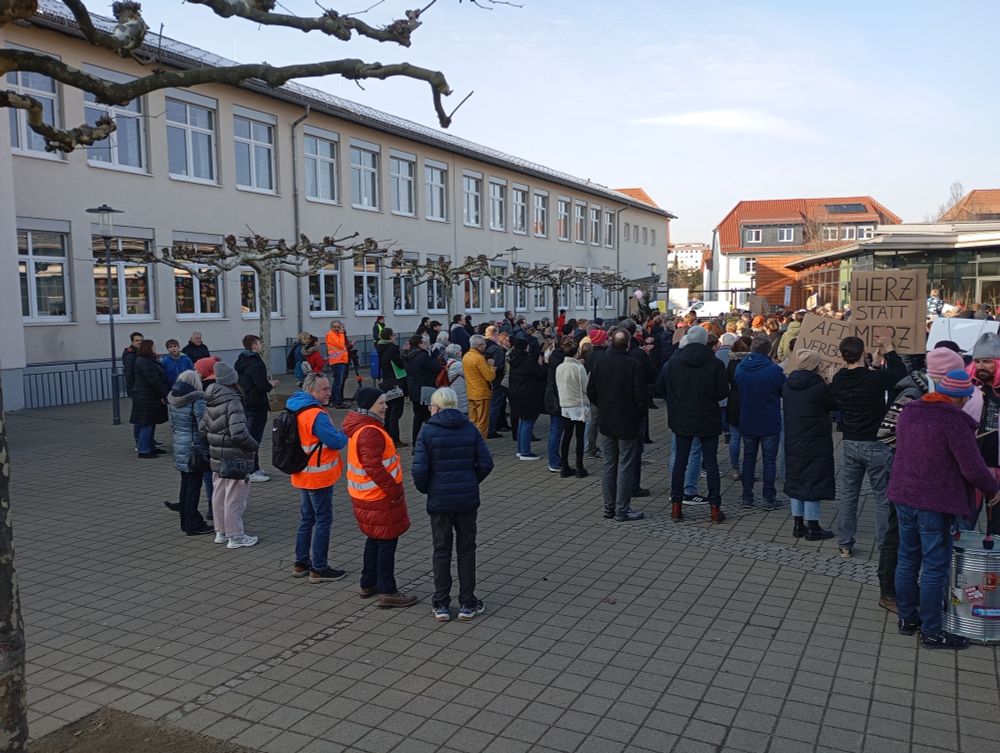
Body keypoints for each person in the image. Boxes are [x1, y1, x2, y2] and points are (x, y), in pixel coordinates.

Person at [890, 369, 1000, 649]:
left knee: (907, 559)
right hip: (934, 501)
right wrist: (992, 487)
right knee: (935, 567)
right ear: (960, 397)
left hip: (904, 495)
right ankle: (931, 631)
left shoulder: (911, 411)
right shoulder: (954, 422)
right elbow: (973, 468)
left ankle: (906, 619)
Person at [412, 387, 494, 622]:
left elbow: (419, 470)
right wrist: (471, 480)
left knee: (441, 549)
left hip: (439, 500)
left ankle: (441, 603)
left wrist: (428, 488)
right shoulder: (470, 428)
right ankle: (468, 602)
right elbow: (486, 463)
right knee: (467, 549)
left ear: (435, 406)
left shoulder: (427, 431)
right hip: (467, 499)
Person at [831, 334, 906, 558]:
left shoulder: (838, 379)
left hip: (850, 442)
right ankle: (884, 546)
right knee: (882, 497)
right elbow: (900, 376)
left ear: (842, 355)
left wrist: (872, 363)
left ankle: (845, 543)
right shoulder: (873, 379)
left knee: (848, 494)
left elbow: (862, 377)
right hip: (875, 443)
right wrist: (890, 350)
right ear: (862, 353)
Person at [343, 388, 416, 608]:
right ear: (368, 406)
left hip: (367, 494)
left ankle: (369, 583)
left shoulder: (363, 427)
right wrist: (393, 491)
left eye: (385, 402)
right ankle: (388, 590)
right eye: (380, 404)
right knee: (386, 542)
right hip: (378, 496)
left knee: (374, 539)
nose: (385, 407)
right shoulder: (370, 431)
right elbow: (373, 465)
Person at [285, 372, 349, 582]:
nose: (329, 393)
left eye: (329, 388)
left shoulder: (295, 407)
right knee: (323, 520)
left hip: (303, 472)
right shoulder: (315, 414)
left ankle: (300, 563)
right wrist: (345, 431)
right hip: (318, 475)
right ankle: (319, 568)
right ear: (311, 390)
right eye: (324, 389)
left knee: (307, 519)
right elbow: (336, 442)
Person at [662, 325, 728, 523]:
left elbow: (664, 388)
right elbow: (722, 393)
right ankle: (715, 508)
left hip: (682, 417)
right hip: (708, 418)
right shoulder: (715, 364)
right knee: (710, 463)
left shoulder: (674, 363)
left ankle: (676, 505)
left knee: (680, 461)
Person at [587, 330, 646, 521]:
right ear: (628, 345)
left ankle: (609, 507)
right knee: (625, 466)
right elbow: (641, 397)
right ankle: (621, 509)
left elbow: (591, 391)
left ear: (611, 343)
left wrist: (603, 406)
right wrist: (637, 415)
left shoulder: (600, 363)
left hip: (607, 420)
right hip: (627, 421)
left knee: (609, 464)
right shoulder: (633, 365)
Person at [200, 362, 259, 548]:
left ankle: (221, 532)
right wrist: (254, 445)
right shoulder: (233, 402)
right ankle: (236, 536)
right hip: (234, 457)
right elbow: (239, 434)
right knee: (235, 497)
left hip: (217, 455)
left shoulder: (210, 399)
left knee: (219, 493)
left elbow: (202, 428)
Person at [782, 350, 836, 540]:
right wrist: (829, 383)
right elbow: (833, 404)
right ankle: (813, 526)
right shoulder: (818, 386)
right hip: (815, 441)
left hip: (793, 440)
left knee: (796, 480)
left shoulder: (788, 384)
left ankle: (798, 524)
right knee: (813, 481)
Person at [735, 337, 787, 510]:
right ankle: (768, 498)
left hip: (748, 419)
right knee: (769, 460)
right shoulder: (773, 370)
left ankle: (746, 497)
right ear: (768, 350)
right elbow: (783, 391)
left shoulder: (740, 367)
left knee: (748, 459)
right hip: (768, 420)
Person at [166, 370, 213, 535]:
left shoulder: (172, 398)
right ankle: (193, 524)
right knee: (194, 487)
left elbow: (172, 424)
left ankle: (186, 522)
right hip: (195, 449)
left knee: (185, 485)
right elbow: (203, 426)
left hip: (180, 445)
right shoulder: (197, 399)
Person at [235, 334, 279, 483]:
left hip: (245, 402)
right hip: (256, 404)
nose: (261, 345)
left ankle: (254, 467)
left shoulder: (241, 360)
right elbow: (261, 386)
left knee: (250, 436)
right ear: (254, 345)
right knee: (254, 439)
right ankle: (252, 470)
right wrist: (271, 384)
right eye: (260, 343)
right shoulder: (256, 363)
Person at [555, 337, 590, 478]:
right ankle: (580, 467)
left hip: (565, 404)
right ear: (576, 353)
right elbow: (585, 387)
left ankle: (564, 466)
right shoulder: (578, 368)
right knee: (579, 436)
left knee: (567, 435)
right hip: (578, 405)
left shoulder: (560, 367)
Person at [507, 335, 547, 460]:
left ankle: (520, 449)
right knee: (528, 422)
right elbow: (540, 374)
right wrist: (543, 364)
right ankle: (525, 451)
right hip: (528, 395)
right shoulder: (527, 361)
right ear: (526, 347)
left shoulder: (514, 359)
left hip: (517, 394)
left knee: (523, 422)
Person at [130, 339, 169, 458]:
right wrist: (164, 394)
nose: (155, 349)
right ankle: (144, 450)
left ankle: (150, 446)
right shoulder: (145, 361)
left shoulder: (146, 360)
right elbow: (154, 381)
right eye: (153, 347)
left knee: (150, 422)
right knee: (147, 423)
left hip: (147, 396)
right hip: (147, 397)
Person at [403, 334, 441, 445]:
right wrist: (434, 357)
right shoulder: (422, 355)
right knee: (428, 415)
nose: (426, 345)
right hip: (425, 388)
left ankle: (416, 442)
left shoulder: (406, 355)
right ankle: (430, 441)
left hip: (413, 388)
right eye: (424, 343)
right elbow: (435, 369)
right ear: (420, 344)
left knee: (417, 417)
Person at [376, 328, 407, 446]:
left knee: (388, 411)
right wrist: (404, 353)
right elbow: (400, 363)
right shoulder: (392, 349)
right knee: (396, 411)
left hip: (386, 381)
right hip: (395, 381)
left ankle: (387, 436)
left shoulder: (380, 348)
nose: (394, 337)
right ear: (390, 337)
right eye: (393, 335)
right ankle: (395, 439)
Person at [462, 335, 496, 439]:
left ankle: (471, 440)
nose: (485, 347)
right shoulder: (479, 358)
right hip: (481, 392)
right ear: (479, 345)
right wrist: (491, 366)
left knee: (473, 420)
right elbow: (489, 377)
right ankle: (480, 445)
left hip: (471, 391)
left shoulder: (466, 356)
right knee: (482, 421)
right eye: (484, 344)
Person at [583, 329, 609, 459]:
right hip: (604, 392)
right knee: (603, 421)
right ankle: (606, 447)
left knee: (592, 421)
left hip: (592, 392)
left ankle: (590, 447)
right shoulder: (604, 355)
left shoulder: (589, 355)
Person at [484, 326, 508, 438]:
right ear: (495, 334)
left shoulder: (483, 346)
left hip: (485, 380)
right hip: (496, 381)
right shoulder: (496, 349)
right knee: (494, 405)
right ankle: (491, 430)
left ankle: (488, 427)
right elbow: (498, 366)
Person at [325, 320, 350, 408]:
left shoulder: (337, 335)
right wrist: (342, 334)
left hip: (341, 360)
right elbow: (340, 345)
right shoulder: (331, 335)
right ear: (331, 328)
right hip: (336, 361)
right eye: (334, 327)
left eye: (338, 327)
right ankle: (336, 401)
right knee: (337, 382)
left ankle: (337, 400)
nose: (336, 329)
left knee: (339, 382)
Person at [442, 344, 468, 414]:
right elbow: (468, 375)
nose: (462, 352)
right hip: (460, 391)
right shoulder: (458, 365)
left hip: (452, 389)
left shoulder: (449, 362)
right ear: (457, 353)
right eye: (460, 351)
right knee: (461, 412)